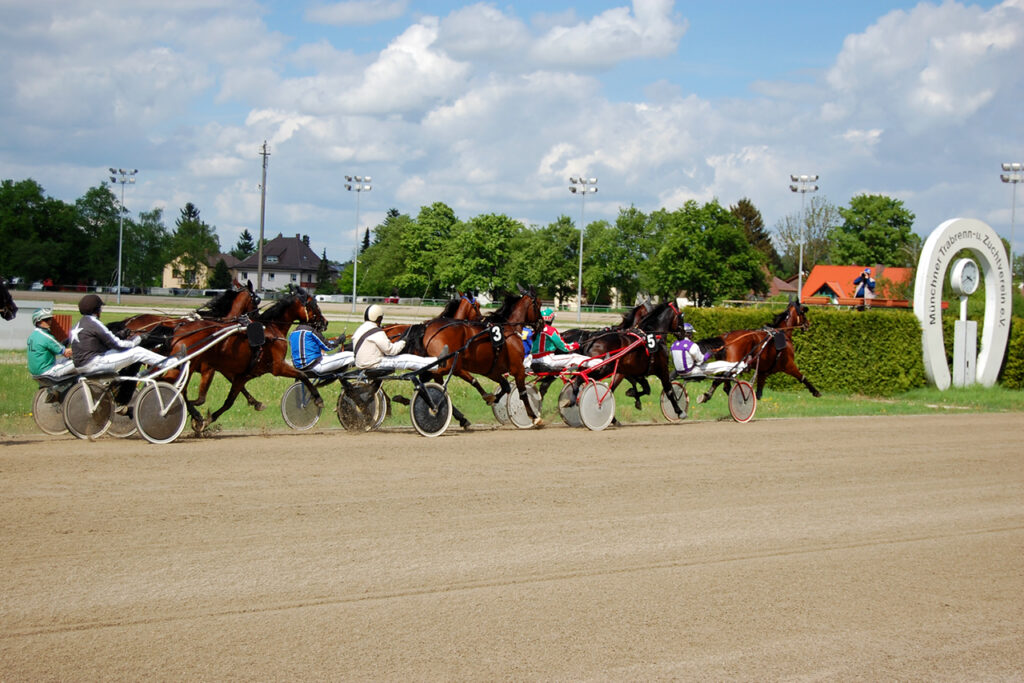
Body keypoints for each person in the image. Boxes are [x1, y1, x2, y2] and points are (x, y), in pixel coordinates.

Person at [69, 294, 170, 375]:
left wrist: (119, 335)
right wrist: (137, 340)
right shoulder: (94, 323)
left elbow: (99, 344)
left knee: (119, 351)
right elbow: (119, 345)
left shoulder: (78, 324)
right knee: (138, 352)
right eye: (100, 308)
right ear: (97, 310)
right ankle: (172, 363)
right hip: (94, 363)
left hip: (81, 365)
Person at [351, 304, 436, 372]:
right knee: (408, 359)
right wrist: (403, 341)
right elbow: (391, 351)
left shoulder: (360, 329)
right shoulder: (376, 331)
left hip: (360, 364)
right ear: (379, 318)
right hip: (375, 364)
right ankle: (437, 363)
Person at [670, 323, 746, 377]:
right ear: (688, 334)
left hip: (680, 372)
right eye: (691, 334)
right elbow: (701, 360)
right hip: (692, 372)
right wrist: (709, 354)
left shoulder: (673, 345)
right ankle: (741, 366)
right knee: (721, 364)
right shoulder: (692, 345)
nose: (692, 336)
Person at [26, 308, 76, 380]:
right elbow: (66, 353)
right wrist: (82, 350)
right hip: (47, 371)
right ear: (38, 321)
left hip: (35, 372)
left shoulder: (32, 335)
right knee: (80, 362)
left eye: (50, 319)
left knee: (67, 360)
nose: (49, 321)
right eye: (46, 320)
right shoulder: (46, 336)